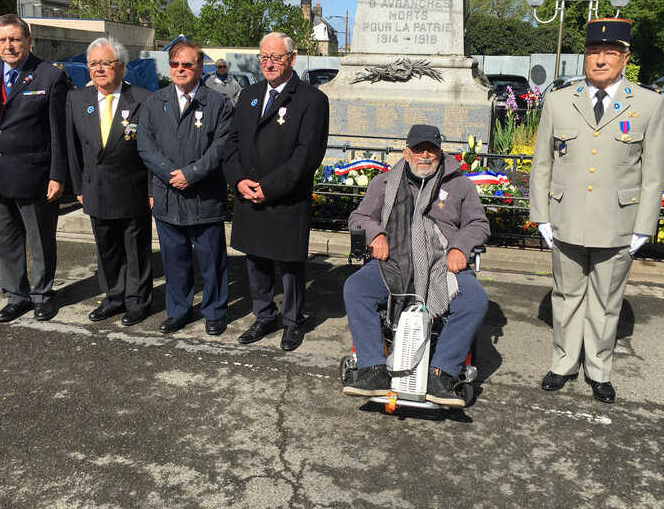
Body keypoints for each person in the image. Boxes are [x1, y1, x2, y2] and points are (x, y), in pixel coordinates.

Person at [530, 17, 664, 403]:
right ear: (585, 57)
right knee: (566, 295)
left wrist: (644, 225)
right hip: (566, 217)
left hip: (618, 221)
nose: (600, 61)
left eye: (610, 53)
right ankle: (562, 363)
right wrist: (541, 214)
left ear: (625, 58)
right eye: (593, 53)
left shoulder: (649, 103)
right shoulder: (559, 100)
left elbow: (654, 173)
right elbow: (543, 163)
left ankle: (599, 369)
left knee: (607, 302)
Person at [341, 125, 491, 407]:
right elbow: (359, 217)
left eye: (431, 149)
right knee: (356, 287)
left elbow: (478, 223)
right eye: (418, 149)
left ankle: (442, 373)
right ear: (406, 152)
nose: (425, 155)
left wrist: (460, 246)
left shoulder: (460, 184)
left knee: (474, 299)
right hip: (394, 261)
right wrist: (376, 234)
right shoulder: (384, 183)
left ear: (440, 152)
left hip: (442, 262)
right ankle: (373, 369)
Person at [223, 32, 330, 351]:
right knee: (255, 259)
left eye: (276, 57)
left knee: (290, 265)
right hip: (248, 193)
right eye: (264, 57)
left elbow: (306, 155)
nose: (268, 63)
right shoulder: (249, 95)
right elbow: (232, 143)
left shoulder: (312, 100)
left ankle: (293, 322)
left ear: (292, 59)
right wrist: (239, 181)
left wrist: (267, 188)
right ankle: (264, 315)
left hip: (285, 196)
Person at [0, 14, 69, 323]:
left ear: (28, 40)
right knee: (7, 239)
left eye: (15, 39)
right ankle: (16, 296)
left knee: (40, 239)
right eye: (2, 40)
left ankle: (42, 295)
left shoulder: (49, 75)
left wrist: (57, 174)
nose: (9, 46)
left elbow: (58, 132)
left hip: (34, 175)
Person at [137, 40, 232, 336]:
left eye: (187, 64)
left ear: (200, 67)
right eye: (175, 64)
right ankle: (179, 310)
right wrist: (170, 174)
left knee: (212, 260)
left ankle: (215, 311)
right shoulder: (155, 102)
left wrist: (191, 174)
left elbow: (221, 147)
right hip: (168, 197)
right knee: (174, 258)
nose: (180, 69)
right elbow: (145, 145)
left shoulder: (218, 104)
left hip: (204, 196)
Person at [66, 38, 153, 326]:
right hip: (95, 187)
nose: (99, 69)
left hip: (132, 187)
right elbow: (73, 147)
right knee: (106, 248)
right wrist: (78, 186)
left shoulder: (142, 99)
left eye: (105, 63)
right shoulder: (77, 99)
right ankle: (114, 297)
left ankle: (137, 301)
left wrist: (152, 189)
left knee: (135, 249)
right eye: (93, 64)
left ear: (121, 67)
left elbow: (152, 149)